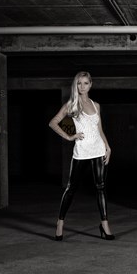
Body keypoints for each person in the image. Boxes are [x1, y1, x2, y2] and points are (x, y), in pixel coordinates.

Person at [48, 71, 114, 241]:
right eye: (79, 83)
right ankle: (60, 223)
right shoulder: (72, 105)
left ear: (90, 84)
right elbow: (53, 122)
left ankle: (105, 224)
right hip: (82, 151)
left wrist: (107, 146)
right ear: (75, 85)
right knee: (71, 189)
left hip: (99, 149)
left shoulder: (96, 105)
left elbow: (99, 130)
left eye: (85, 83)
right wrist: (70, 137)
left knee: (100, 187)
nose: (82, 86)